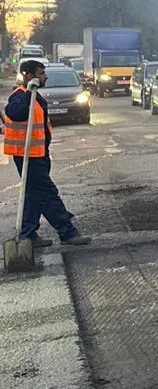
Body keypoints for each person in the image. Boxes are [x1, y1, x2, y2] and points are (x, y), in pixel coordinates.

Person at [3, 60, 91, 248]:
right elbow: (15, 112)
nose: (45, 77)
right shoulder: (19, 96)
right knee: (47, 194)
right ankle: (67, 232)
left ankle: (28, 234)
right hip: (27, 156)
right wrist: (28, 91)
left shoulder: (36, 96)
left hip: (38, 154)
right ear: (28, 75)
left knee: (32, 194)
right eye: (41, 73)